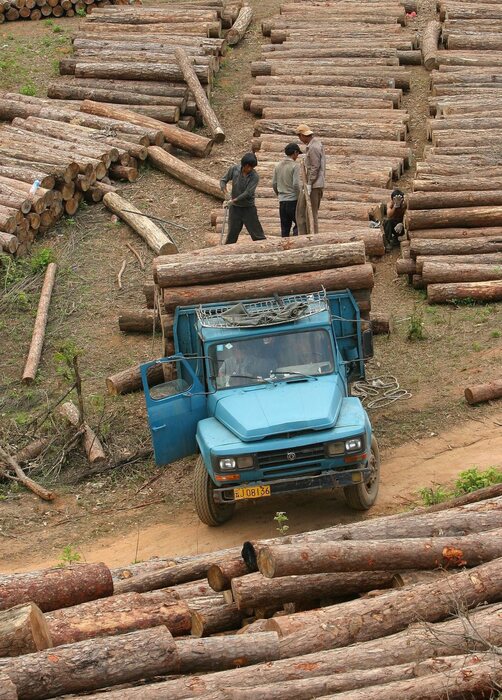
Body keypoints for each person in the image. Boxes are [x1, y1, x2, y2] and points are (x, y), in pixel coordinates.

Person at [219, 153, 266, 244]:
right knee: (232, 234)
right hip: (235, 209)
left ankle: (264, 250)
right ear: (245, 165)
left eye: (252, 168)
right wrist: (225, 193)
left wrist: (233, 200)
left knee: (257, 235)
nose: (251, 169)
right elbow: (223, 181)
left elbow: (248, 193)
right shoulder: (234, 169)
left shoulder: (254, 176)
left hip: (248, 208)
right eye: (250, 167)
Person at [295, 124, 326, 235]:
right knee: (303, 212)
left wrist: (309, 183)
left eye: (300, 137)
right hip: (312, 183)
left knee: (311, 214)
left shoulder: (314, 147)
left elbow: (315, 167)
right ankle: (306, 235)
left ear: (303, 135)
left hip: (314, 184)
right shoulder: (313, 145)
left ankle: (312, 236)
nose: (300, 140)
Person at [272, 142, 301, 237]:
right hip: (293, 200)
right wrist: (300, 196)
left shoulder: (278, 165)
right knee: (299, 224)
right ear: (295, 152)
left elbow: (274, 183)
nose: (297, 156)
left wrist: (279, 194)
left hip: (282, 200)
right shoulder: (295, 166)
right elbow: (296, 184)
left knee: (284, 228)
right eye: (297, 154)